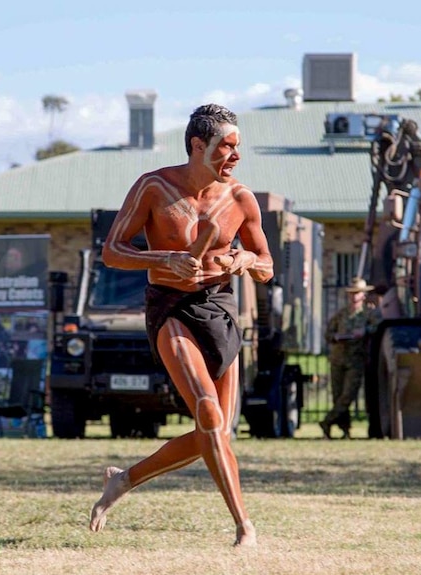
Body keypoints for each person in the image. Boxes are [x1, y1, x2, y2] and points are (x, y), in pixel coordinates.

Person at [88, 103, 274, 547]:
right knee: (207, 412)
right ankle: (244, 526)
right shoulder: (154, 187)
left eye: (237, 147)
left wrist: (245, 259)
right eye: (226, 146)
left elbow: (267, 265)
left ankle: (123, 480)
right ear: (197, 145)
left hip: (220, 307)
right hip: (170, 306)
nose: (235, 155)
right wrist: (164, 258)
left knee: (217, 433)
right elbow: (112, 251)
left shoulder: (241, 199)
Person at [320, 277, 378, 439]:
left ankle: (327, 421)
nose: (354, 296)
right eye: (351, 293)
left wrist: (364, 331)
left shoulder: (368, 314)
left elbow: (377, 327)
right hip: (338, 359)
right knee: (338, 396)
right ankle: (344, 429)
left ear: (363, 296)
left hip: (356, 360)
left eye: (357, 293)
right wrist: (336, 336)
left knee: (348, 395)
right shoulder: (341, 314)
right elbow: (328, 334)